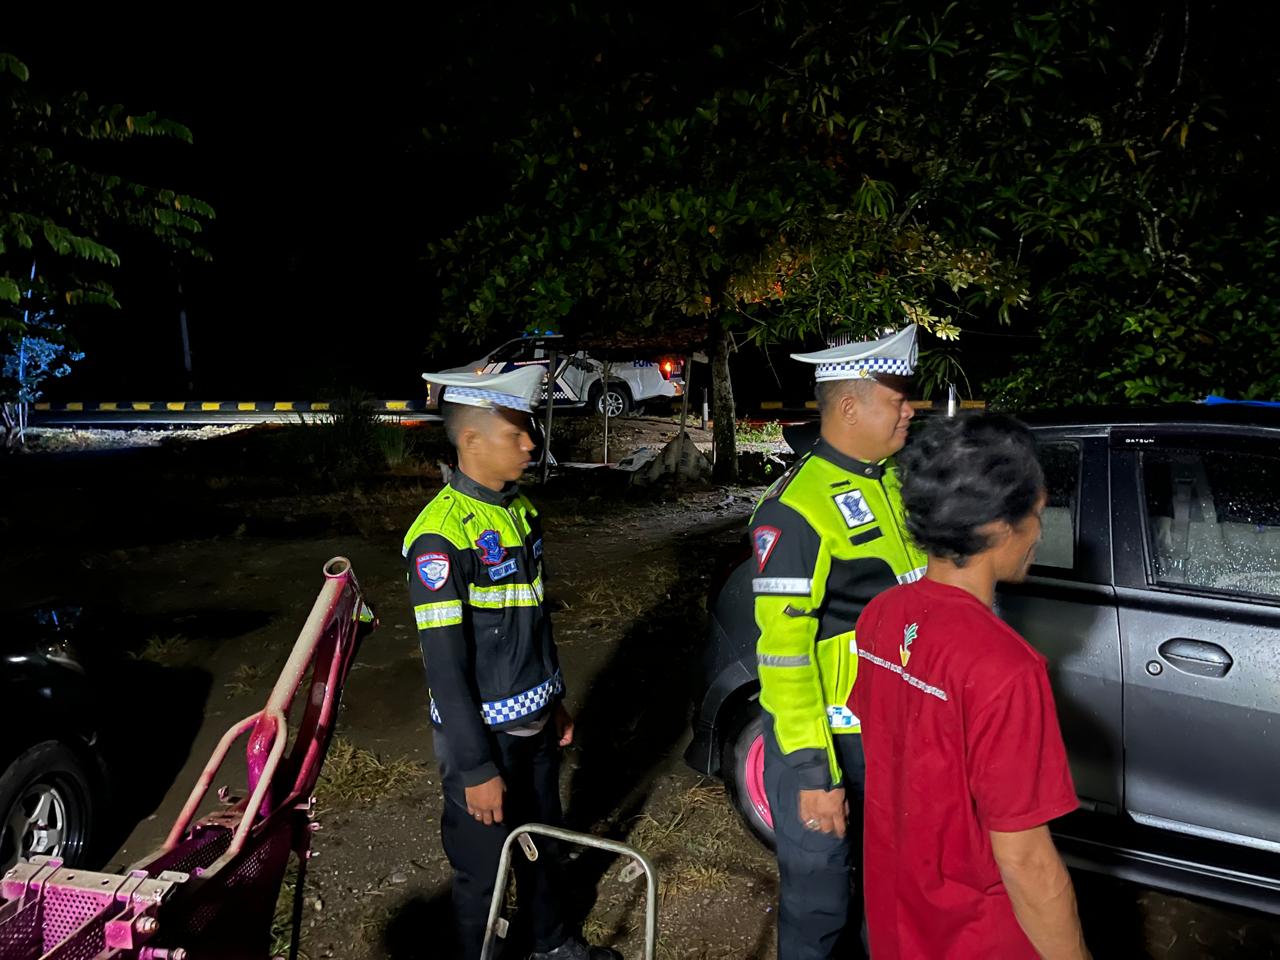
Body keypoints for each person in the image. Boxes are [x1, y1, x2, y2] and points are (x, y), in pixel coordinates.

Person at [850, 414, 1090, 960]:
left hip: (895, 915)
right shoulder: (1007, 669)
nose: (1039, 532)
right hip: (976, 934)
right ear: (1001, 526)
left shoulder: (881, 615)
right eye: (1037, 514)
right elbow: (1026, 860)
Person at [403, 365, 620, 960]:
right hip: (485, 739)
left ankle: (552, 944)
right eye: (516, 433)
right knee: (485, 871)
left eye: (530, 430)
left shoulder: (519, 512)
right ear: (472, 440)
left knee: (545, 845)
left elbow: (533, 618)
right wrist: (475, 768)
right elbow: (445, 668)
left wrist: (555, 700)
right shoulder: (439, 539)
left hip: (536, 723)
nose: (531, 444)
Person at [749, 326, 927, 960]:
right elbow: (784, 657)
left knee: (888, 896)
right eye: (897, 399)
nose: (910, 410)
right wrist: (812, 774)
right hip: (827, 742)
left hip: (889, 733)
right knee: (820, 909)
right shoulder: (795, 510)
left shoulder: (893, 483)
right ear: (850, 407)